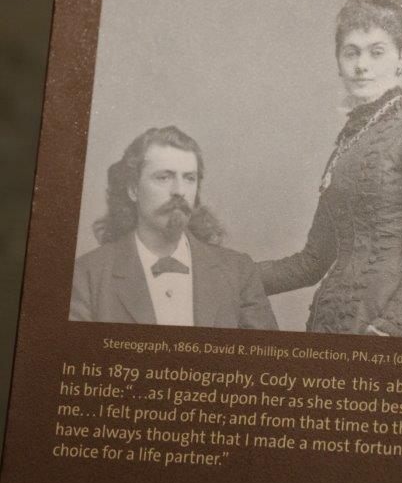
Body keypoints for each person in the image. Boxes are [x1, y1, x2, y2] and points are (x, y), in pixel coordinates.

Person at [259, 0, 402, 338]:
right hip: (330, 327)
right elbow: (313, 262)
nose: (361, 66)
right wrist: (225, 274)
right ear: (339, 63)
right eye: (351, 52)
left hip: (392, 333)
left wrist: (389, 329)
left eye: (376, 52)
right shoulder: (349, 141)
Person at [70, 125, 277, 330]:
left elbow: (262, 351)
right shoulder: (86, 276)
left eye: (189, 178)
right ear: (133, 190)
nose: (179, 190)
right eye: (163, 177)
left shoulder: (239, 271)